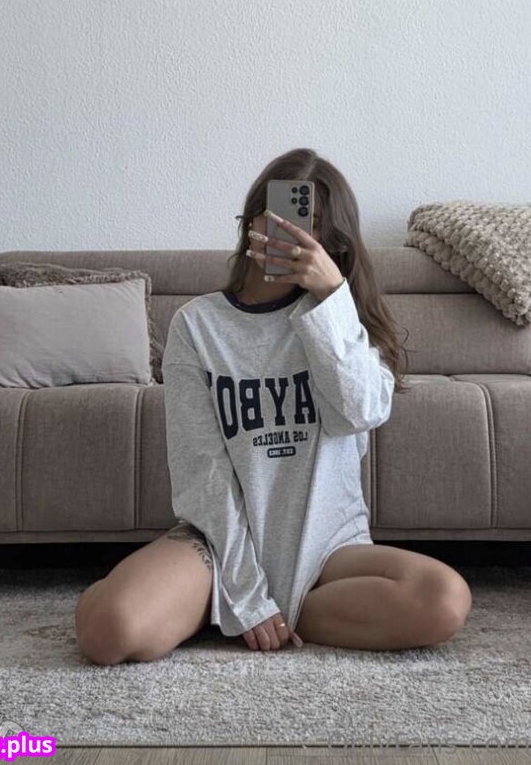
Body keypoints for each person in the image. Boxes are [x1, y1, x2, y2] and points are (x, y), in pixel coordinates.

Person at [75, 148, 472, 664]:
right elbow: (202, 470)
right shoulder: (197, 325)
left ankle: (273, 612)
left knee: (443, 600)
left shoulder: (344, 320)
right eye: (278, 215)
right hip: (217, 550)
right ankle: (224, 604)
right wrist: (245, 590)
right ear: (251, 222)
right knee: (109, 632)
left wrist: (331, 298)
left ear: (334, 242)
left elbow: (359, 413)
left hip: (329, 549)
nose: (292, 234)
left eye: (310, 225)